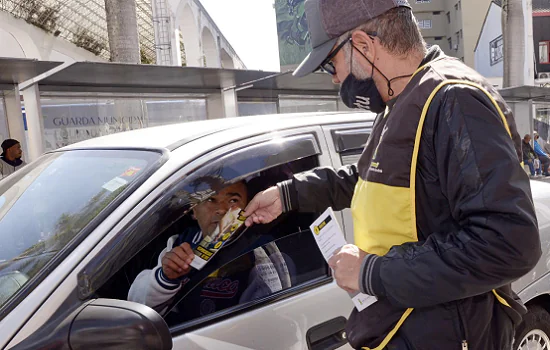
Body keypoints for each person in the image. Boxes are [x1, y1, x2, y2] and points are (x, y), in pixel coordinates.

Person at [243, 1, 541, 349]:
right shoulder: (400, 100)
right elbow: (368, 180)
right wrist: (288, 194)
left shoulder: (454, 100)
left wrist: (371, 272)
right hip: (399, 327)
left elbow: (509, 243)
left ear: (365, 46)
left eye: (330, 64)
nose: (336, 78)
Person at [128, 180, 290, 320]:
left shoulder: (262, 250)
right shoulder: (180, 243)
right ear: (194, 210)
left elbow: (266, 314)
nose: (221, 209)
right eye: (210, 199)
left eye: (233, 200)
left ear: (247, 208)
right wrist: (165, 278)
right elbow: (137, 306)